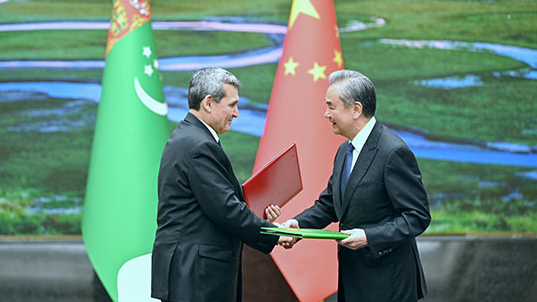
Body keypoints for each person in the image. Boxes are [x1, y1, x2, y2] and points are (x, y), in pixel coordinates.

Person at [282, 70, 431, 302]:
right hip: (354, 279)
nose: (325, 114)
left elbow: (417, 216)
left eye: (331, 107)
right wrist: (298, 225)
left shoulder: (393, 152)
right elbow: (330, 203)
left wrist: (369, 237)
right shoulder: (345, 150)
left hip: (388, 283)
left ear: (356, 109)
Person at [151, 67, 288, 302]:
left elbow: (212, 203)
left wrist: (256, 213)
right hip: (197, 275)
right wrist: (274, 233)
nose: (236, 113)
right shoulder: (200, 146)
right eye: (232, 104)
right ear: (208, 103)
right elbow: (226, 210)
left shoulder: (189, 138)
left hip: (191, 271)